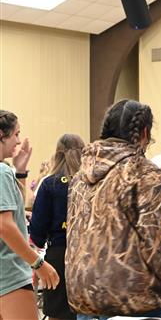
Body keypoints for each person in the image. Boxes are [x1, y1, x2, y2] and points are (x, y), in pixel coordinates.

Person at [66, 100, 161, 319]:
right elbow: (154, 238)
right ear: (145, 133)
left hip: (83, 291)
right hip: (129, 295)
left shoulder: (80, 176)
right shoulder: (145, 173)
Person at [0, 110, 60, 320]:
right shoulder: (1, 172)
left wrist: (20, 171)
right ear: (1, 135)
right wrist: (38, 263)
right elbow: (5, 226)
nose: (18, 141)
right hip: (10, 276)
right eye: (16, 134)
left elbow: (12, 206)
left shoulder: (6, 172)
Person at [30, 134, 85, 320]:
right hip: (88, 255)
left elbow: (37, 231)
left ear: (57, 154)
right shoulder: (92, 182)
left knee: (58, 314)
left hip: (59, 256)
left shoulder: (50, 183)